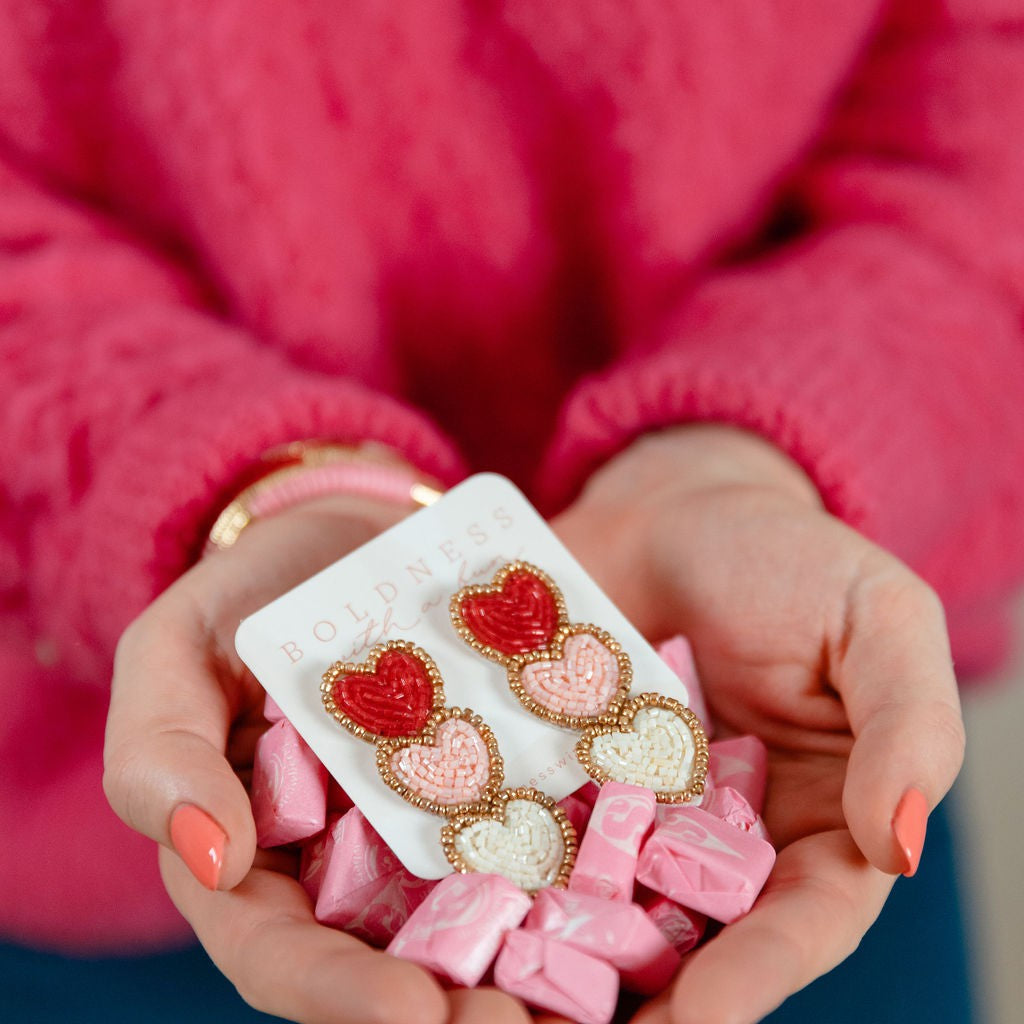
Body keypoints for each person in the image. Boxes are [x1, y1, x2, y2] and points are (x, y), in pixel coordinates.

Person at [1, 2, 1021, 1022]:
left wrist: (749, 455)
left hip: (791, 729)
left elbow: (989, 95)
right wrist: (236, 481)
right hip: (105, 827)